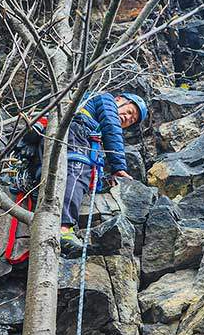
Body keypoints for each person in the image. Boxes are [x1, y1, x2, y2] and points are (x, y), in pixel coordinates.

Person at [60, 92, 148, 257]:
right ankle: (63, 229)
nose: (127, 118)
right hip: (75, 131)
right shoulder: (105, 99)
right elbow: (111, 123)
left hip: (72, 137)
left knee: (80, 175)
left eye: (132, 120)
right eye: (129, 112)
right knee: (77, 174)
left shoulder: (96, 134)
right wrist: (118, 166)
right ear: (119, 100)